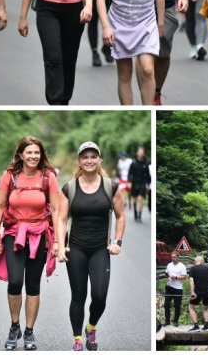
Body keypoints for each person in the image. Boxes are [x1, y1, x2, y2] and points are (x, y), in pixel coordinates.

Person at [0, 137, 60, 351]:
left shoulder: (48, 177)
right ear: (21, 154)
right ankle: (15, 326)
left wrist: (57, 240)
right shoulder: (10, 176)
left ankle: (29, 332)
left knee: (33, 285)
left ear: (41, 155)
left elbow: (57, 211)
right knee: (14, 281)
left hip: (39, 234)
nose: (33, 156)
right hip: (14, 233)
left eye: (36, 153)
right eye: (28, 152)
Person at [57, 141, 125, 351]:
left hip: (100, 250)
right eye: (85, 157)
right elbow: (61, 219)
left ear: (99, 159)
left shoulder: (111, 186)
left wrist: (117, 241)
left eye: (93, 156)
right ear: (79, 161)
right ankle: (77, 338)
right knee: (78, 296)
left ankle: (91, 327)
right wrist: (61, 246)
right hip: (75, 249)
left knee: (99, 296)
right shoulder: (69, 187)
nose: (89, 160)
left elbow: (121, 216)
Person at [187, 256, 208, 331]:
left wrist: (192, 291)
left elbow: (191, 281)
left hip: (197, 291)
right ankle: (206, 326)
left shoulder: (192, 268)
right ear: (202, 261)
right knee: (206, 308)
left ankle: (196, 326)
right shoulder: (207, 268)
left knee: (191, 307)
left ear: (195, 261)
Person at [128, 146, 151, 222]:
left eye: (142, 152)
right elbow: (130, 174)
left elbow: (148, 175)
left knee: (140, 198)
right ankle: (135, 212)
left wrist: (148, 185)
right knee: (134, 199)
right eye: (139, 152)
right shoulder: (133, 163)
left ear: (144, 154)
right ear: (137, 153)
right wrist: (129, 182)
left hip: (142, 183)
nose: (141, 154)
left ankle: (139, 216)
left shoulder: (146, 164)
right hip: (134, 183)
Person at [163, 252, 186, 328]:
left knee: (177, 306)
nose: (172, 258)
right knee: (166, 304)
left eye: (174, 257)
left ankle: (176, 321)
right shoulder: (169, 265)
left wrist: (175, 277)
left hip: (178, 288)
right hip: (169, 287)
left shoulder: (182, 266)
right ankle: (167, 320)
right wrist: (167, 276)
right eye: (172, 257)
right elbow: (166, 273)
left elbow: (184, 277)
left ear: (178, 258)